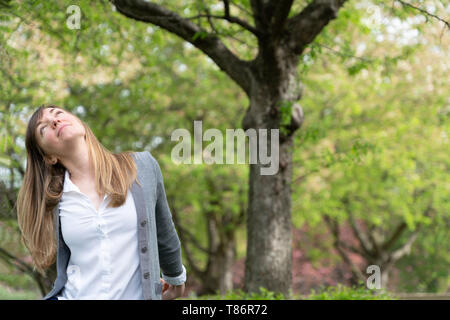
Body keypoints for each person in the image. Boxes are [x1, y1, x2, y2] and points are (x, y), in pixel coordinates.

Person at [16, 104, 186, 300]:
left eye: (58, 114)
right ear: (49, 157)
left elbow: (164, 233)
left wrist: (175, 280)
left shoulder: (141, 167)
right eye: (43, 128)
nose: (54, 121)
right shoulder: (53, 201)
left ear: (81, 124)